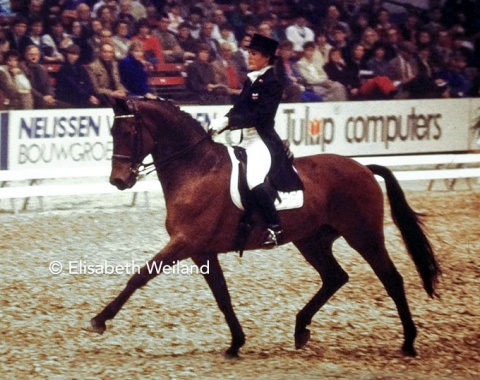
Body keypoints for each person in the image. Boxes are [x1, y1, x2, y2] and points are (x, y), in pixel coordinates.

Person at [209, 34, 303, 248]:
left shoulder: (272, 83)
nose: (249, 57)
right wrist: (224, 119)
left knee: (253, 179)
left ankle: (275, 227)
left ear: (266, 57)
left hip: (262, 140)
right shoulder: (251, 79)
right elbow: (239, 108)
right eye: (249, 53)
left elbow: (261, 117)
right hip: (243, 139)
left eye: (254, 53)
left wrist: (229, 122)